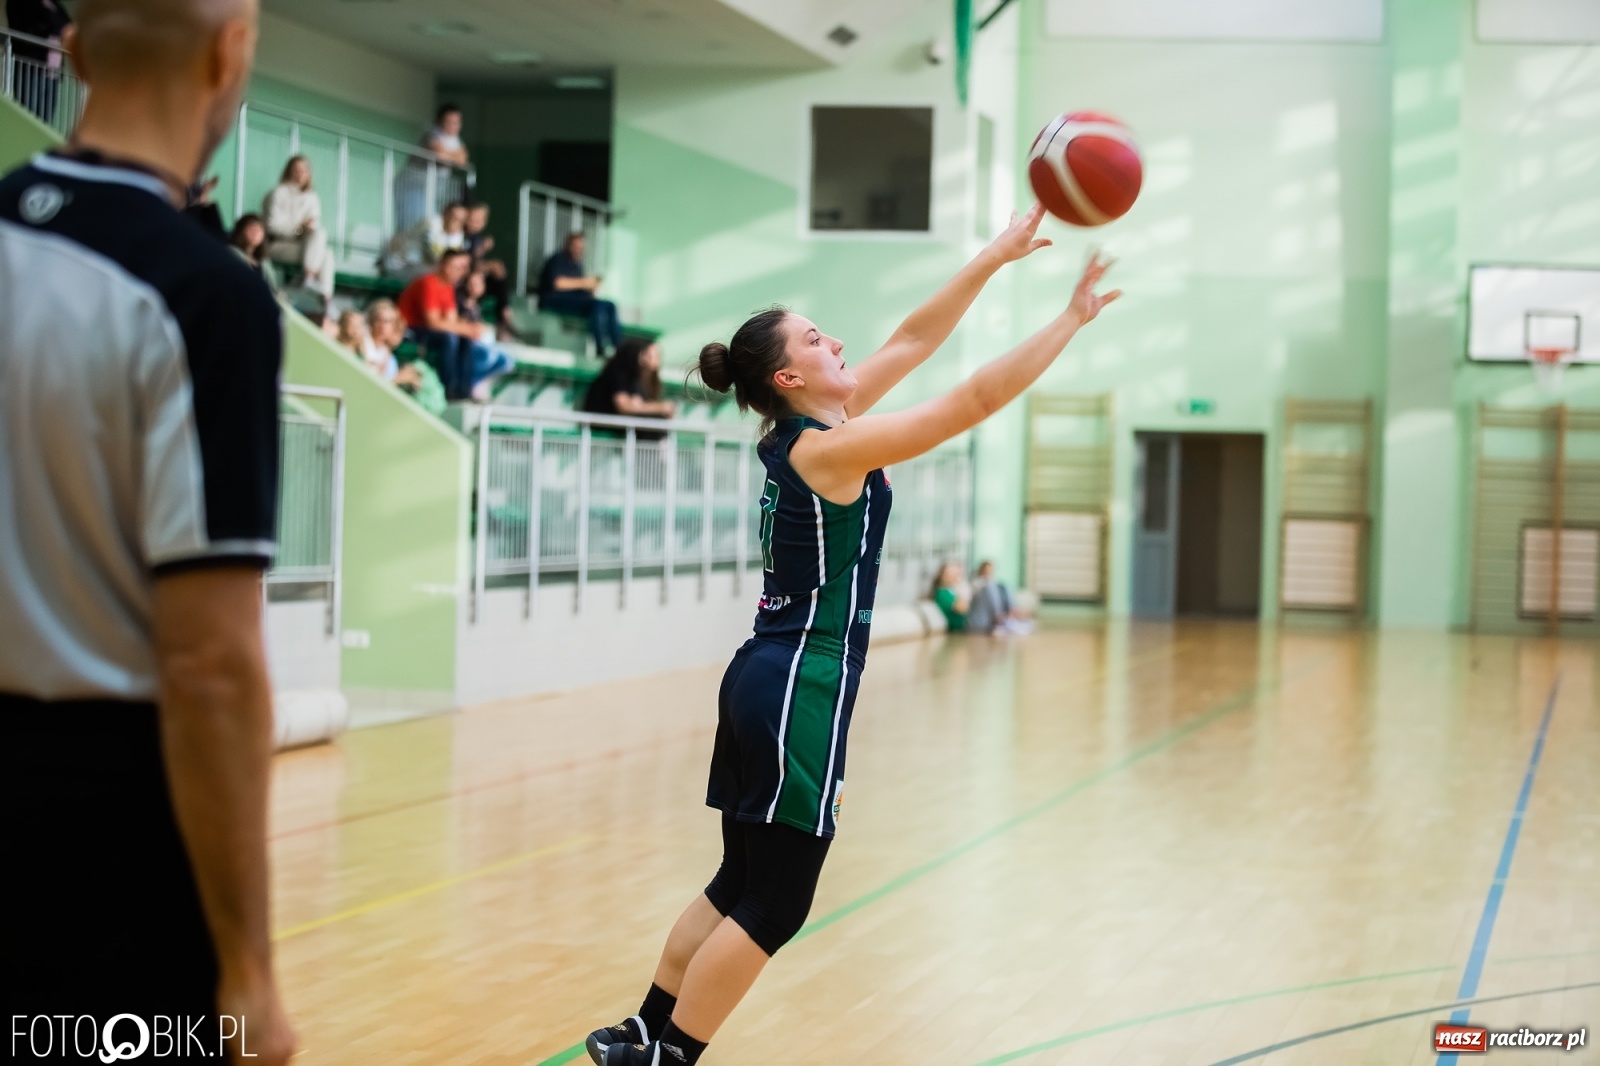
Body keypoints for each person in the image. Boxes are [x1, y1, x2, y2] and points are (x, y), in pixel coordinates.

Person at [582, 204, 1118, 1066]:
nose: (836, 346)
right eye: (818, 340)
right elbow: (974, 397)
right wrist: (1068, 318)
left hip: (763, 671)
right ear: (790, 380)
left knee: (740, 882)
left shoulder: (814, 433)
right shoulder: (831, 452)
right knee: (779, 901)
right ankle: (672, 1055)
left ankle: (645, 1026)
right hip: (801, 678)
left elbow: (912, 338)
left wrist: (997, 256)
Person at [0, 1, 296, 1064]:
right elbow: (210, 662)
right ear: (233, 49)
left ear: (71, 52)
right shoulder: (204, 295)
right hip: (99, 838)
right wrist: (248, 967)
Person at [398, 248, 511, 401]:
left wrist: (469, 330)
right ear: (442, 265)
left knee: (464, 338)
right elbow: (433, 322)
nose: (459, 272)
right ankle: (448, 388)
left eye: (462, 268)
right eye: (456, 267)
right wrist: (468, 328)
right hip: (410, 331)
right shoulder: (428, 283)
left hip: (429, 331)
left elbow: (451, 321)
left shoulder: (448, 287)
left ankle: (463, 391)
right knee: (450, 338)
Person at [262, 153, 334, 303]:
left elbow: (314, 227)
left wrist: (306, 229)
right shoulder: (278, 193)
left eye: (304, 170)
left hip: (303, 247)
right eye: (296, 170)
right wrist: (299, 229)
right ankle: (309, 280)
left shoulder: (312, 197)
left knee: (326, 251)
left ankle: (324, 298)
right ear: (288, 171)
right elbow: (272, 227)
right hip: (277, 245)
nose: (300, 174)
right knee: (322, 254)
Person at [539, 231, 621, 356]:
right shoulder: (558, 259)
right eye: (576, 246)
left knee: (610, 305)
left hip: (574, 301)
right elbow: (558, 283)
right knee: (597, 306)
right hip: (554, 301)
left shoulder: (577, 266)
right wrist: (584, 282)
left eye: (581, 247)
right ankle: (599, 347)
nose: (579, 250)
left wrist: (589, 290)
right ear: (569, 245)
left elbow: (579, 288)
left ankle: (619, 348)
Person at [396, 103, 467, 233]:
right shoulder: (431, 132)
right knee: (413, 227)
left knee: (430, 227)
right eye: (449, 122)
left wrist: (447, 155)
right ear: (440, 121)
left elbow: (462, 160)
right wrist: (451, 156)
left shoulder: (455, 139)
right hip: (413, 187)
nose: (453, 126)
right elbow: (439, 158)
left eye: (456, 122)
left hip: (431, 191)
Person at [366, 297, 443, 413]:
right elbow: (370, 388)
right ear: (371, 322)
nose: (383, 325)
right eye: (379, 320)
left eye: (388, 321)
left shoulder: (388, 356)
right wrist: (399, 378)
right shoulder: (363, 346)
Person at [5, 0, 71, 126]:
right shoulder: (19, 3)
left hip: (53, 70)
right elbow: (36, 25)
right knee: (29, 117)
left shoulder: (53, 3)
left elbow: (67, 25)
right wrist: (54, 25)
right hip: (31, 66)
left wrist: (54, 25)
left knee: (46, 121)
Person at [583, 336, 677, 422]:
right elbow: (624, 406)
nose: (643, 360)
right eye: (647, 354)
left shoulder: (643, 379)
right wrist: (659, 408)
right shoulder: (617, 373)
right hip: (603, 423)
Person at [465, 201, 514, 335]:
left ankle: (504, 315)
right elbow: (464, 264)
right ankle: (502, 317)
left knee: (499, 274)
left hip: (475, 277)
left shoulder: (476, 238)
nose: (476, 222)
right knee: (492, 270)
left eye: (480, 219)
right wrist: (487, 264)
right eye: (473, 218)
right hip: (464, 280)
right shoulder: (462, 236)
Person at [968, 559, 1032, 635]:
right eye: (987, 570)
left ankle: (1013, 612)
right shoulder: (978, 585)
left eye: (990, 570)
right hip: (985, 620)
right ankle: (1008, 615)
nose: (989, 572)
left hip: (999, 615)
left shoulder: (997, 585)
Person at [229, 211, 279, 291]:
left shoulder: (264, 261)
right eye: (251, 229)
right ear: (240, 232)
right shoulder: (231, 253)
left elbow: (274, 286)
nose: (255, 233)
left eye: (259, 230)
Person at [930, 560, 970, 633]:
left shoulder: (951, 591)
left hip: (960, 630)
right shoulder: (942, 592)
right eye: (952, 574)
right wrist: (961, 586)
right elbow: (962, 608)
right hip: (952, 631)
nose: (956, 577)